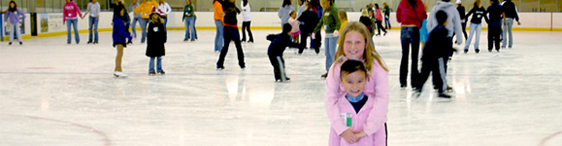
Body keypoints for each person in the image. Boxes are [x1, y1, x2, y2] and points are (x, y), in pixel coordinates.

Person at [325, 22, 389, 145]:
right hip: (345, 130)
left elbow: (382, 99)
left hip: (373, 129)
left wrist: (367, 129)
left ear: (366, 43)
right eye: (348, 42)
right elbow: (330, 100)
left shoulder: (377, 66)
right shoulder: (336, 68)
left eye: (358, 42)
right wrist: (341, 129)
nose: (353, 47)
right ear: (342, 43)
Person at [328, 59, 387, 145]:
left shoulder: (373, 106)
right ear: (341, 81)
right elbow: (334, 136)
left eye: (359, 81)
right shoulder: (339, 106)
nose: (355, 86)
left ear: (366, 79)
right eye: (350, 82)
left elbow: (379, 135)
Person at [414, 10, 454, 98]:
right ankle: (440, 91)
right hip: (435, 56)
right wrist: (451, 50)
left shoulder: (435, 29)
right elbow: (443, 44)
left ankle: (418, 87)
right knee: (439, 73)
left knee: (426, 73)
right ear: (446, 20)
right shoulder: (443, 30)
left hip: (427, 55)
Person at [396, 0, 427, 89]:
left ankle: (403, 81)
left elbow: (398, 19)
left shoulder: (402, 3)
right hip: (414, 28)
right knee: (414, 57)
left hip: (404, 29)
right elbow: (421, 16)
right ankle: (413, 81)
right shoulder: (418, 3)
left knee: (404, 56)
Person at [313, 0, 340, 78]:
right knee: (327, 54)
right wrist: (315, 31)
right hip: (327, 35)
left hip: (333, 35)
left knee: (332, 54)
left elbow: (338, 22)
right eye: (322, 3)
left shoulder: (333, 10)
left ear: (329, 2)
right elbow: (321, 22)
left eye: (324, 3)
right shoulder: (325, 12)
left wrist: (336, 30)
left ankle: (335, 72)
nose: (323, 5)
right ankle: (329, 71)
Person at [216, 0, 245, 70]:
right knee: (227, 47)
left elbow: (236, 11)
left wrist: (238, 11)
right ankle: (220, 63)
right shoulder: (225, 3)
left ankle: (241, 63)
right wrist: (225, 12)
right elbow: (229, 10)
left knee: (237, 47)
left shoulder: (233, 5)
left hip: (232, 28)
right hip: (229, 29)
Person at [112, 3, 133, 78]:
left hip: (118, 38)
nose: (123, 11)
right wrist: (128, 36)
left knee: (120, 53)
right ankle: (118, 69)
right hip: (119, 38)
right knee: (119, 54)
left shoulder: (119, 19)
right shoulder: (119, 20)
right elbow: (121, 31)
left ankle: (117, 69)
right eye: (122, 10)